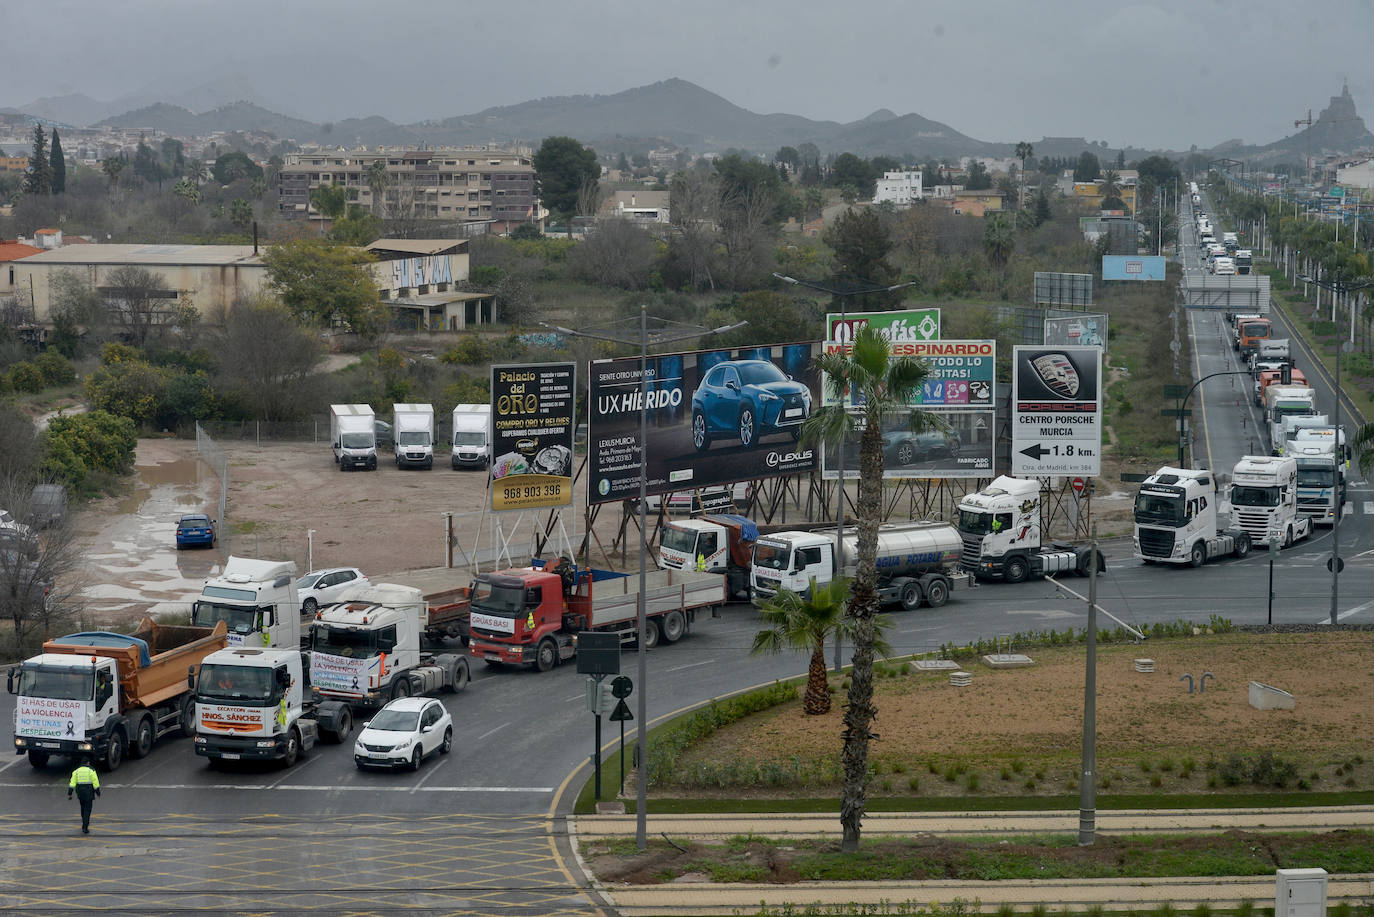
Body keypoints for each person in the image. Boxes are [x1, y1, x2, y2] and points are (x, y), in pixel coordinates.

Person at [68, 758, 101, 834]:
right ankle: (85, 827)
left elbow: (72, 783)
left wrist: (70, 793)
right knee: (87, 810)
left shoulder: (76, 772)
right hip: (89, 792)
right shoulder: (91, 771)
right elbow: (95, 783)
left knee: (83, 808)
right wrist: (98, 793)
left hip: (80, 793)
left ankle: (84, 822)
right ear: (88, 763)